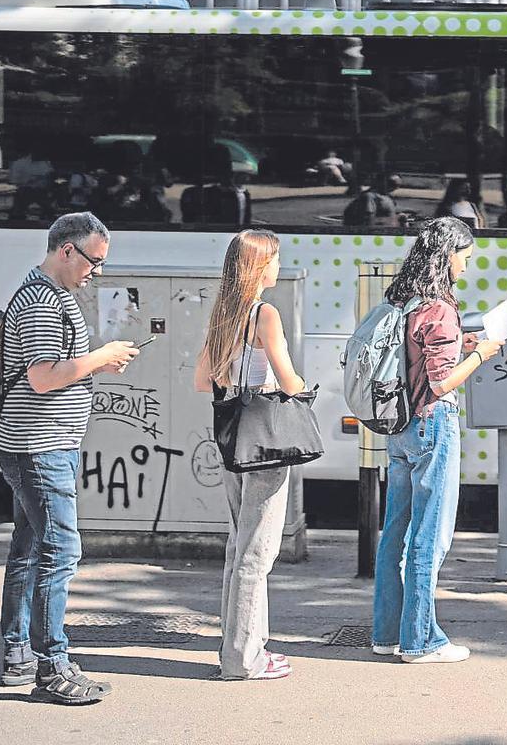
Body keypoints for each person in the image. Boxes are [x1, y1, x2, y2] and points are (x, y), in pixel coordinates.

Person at [0, 212, 139, 704]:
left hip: (38, 443)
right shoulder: (41, 301)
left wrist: (98, 358)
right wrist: (102, 356)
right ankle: (52, 667)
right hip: (40, 446)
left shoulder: (50, 295)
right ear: (66, 251)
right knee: (61, 552)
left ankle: (18, 652)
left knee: (31, 548)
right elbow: (43, 377)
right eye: (94, 261)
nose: (97, 272)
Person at [370, 218, 504, 663]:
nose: (467, 264)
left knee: (395, 533)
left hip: (400, 426)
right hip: (432, 424)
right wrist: (482, 354)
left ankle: (387, 633)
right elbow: (442, 383)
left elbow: (418, 357)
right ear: (447, 255)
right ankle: (421, 640)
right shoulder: (441, 308)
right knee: (431, 535)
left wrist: (460, 344)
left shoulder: (406, 299)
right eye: (465, 255)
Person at [194, 229, 307, 681]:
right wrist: (296, 385)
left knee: (238, 547)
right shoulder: (265, 314)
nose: (279, 265)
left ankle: (241, 649)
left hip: (230, 439)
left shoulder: (224, 311)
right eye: (275, 258)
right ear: (260, 266)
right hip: (264, 442)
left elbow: (204, 381)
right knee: (257, 554)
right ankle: (243, 659)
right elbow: (288, 381)